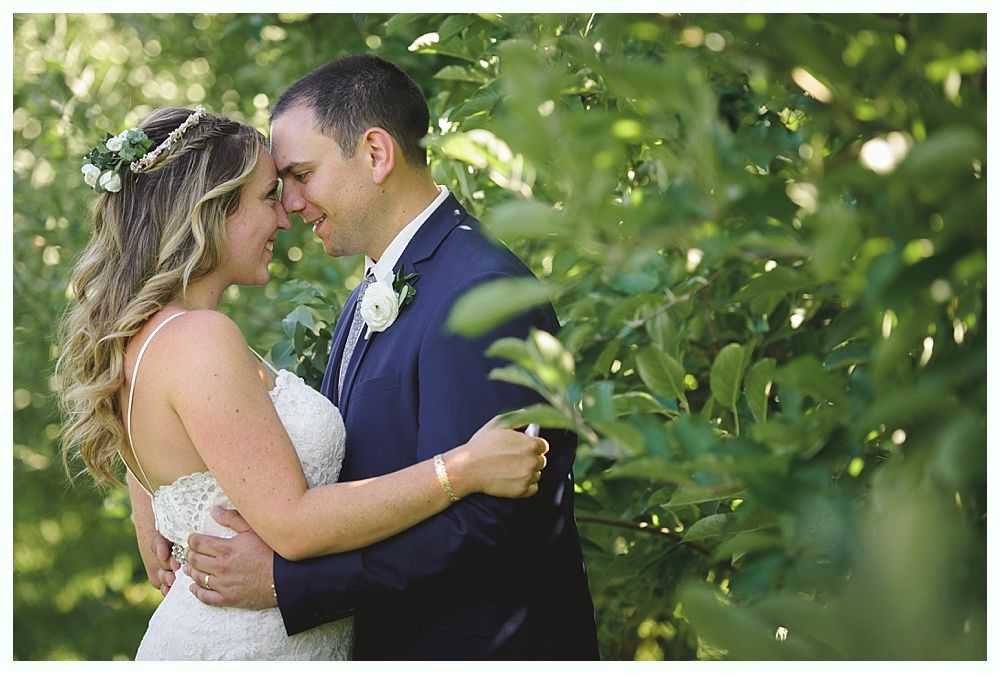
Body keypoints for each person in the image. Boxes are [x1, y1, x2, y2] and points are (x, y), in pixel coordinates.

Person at [55, 105, 550, 660]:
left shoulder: (147, 339)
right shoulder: (198, 338)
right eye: (269, 195)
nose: (286, 214)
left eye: (297, 181)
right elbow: (292, 523)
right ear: (210, 211)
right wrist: (462, 468)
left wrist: (152, 499)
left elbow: (183, 438)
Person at [179, 54, 600, 660]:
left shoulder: (480, 292)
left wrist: (286, 581)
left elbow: (489, 523)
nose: (289, 206)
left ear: (376, 153)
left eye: (301, 174)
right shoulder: (370, 295)